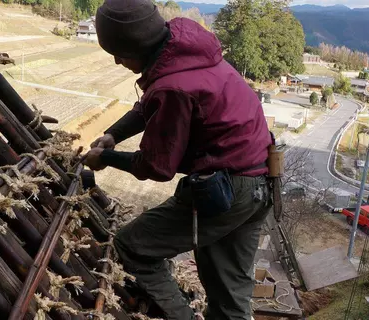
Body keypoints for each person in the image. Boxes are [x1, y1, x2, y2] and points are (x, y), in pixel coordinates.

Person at [83, 0, 273, 319]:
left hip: (228, 189)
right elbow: (151, 103)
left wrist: (106, 158)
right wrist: (114, 133)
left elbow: (157, 166)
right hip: (261, 182)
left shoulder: (172, 85)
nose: (116, 61)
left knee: (132, 247)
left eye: (119, 52)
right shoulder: (184, 53)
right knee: (230, 293)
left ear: (137, 47)